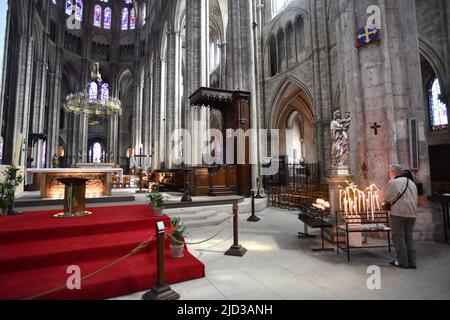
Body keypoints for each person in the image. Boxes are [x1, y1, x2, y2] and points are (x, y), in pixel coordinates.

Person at [383, 164, 419, 269]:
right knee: (409, 238)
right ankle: (412, 262)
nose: (389, 174)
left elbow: (386, 198)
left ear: (393, 172)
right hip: (412, 213)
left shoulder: (393, 182)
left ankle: (403, 262)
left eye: (390, 172)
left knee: (398, 237)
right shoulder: (412, 183)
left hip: (398, 213)